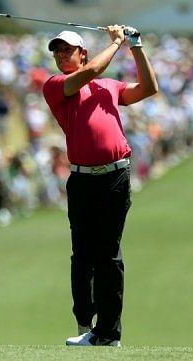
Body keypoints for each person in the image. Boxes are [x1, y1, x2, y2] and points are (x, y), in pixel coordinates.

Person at [42, 26, 158, 346]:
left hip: (115, 177)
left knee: (108, 255)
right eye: (57, 51)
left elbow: (149, 88)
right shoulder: (55, 85)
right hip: (81, 179)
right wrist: (118, 41)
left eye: (68, 49)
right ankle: (85, 323)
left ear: (83, 53)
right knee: (82, 255)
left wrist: (136, 46)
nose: (61, 55)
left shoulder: (109, 85)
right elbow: (93, 71)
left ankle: (108, 333)